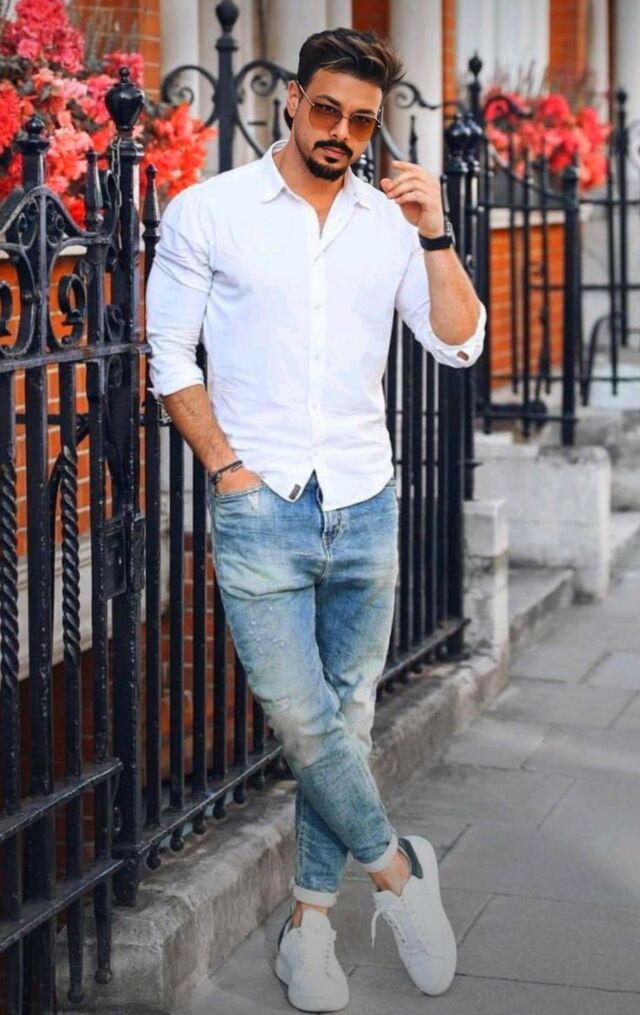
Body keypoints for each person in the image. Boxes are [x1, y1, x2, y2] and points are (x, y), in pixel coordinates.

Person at [146, 25, 485, 1014]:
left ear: (376, 126)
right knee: (302, 719)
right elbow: (168, 354)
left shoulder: (388, 223)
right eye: (326, 109)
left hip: (365, 499)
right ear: (291, 100)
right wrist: (228, 469)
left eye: (360, 121)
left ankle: (310, 926)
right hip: (261, 505)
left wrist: (436, 232)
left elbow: (458, 343)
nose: (339, 131)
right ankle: (400, 877)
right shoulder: (210, 211)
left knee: (347, 718)